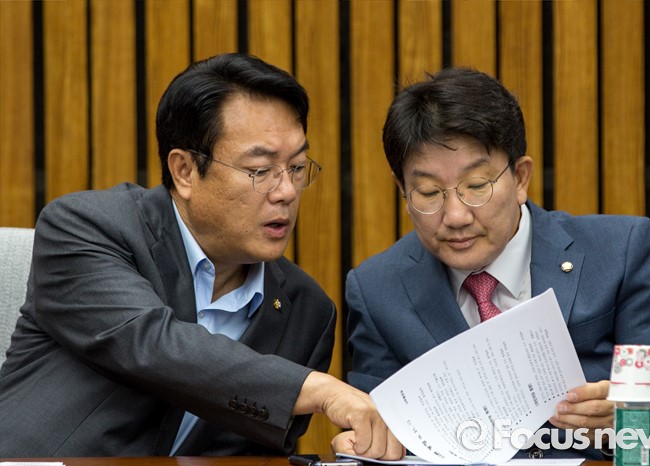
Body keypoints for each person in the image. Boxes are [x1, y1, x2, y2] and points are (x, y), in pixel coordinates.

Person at [0, 53, 402, 459]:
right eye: (260, 171)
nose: (286, 192)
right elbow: (151, 344)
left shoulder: (306, 311)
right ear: (185, 171)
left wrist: (354, 450)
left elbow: (245, 457)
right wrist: (314, 388)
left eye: (296, 167)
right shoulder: (87, 227)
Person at [339, 67, 650, 461]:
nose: (456, 215)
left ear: (521, 178)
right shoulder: (377, 290)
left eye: (477, 186)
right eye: (428, 192)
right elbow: (372, 426)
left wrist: (626, 426)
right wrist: (361, 445)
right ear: (403, 192)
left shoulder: (621, 252)